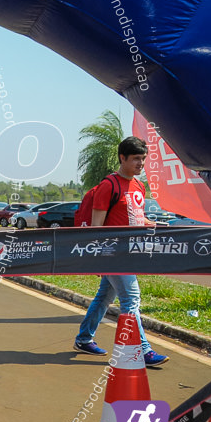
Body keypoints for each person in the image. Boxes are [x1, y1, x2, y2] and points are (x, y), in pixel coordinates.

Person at [74, 136, 168, 366]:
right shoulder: (109, 186)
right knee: (131, 299)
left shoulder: (138, 186)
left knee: (105, 296)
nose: (140, 164)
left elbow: (136, 217)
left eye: (143, 159)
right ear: (122, 158)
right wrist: (99, 259)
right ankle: (142, 350)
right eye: (136, 159)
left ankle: (84, 339)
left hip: (131, 252)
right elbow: (96, 228)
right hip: (113, 253)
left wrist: (151, 223)